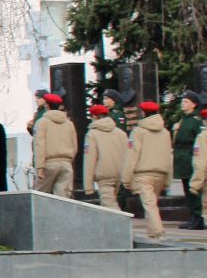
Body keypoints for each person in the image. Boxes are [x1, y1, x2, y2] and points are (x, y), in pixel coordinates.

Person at [124, 101, 173, 240]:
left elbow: (132, 155)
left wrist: (126, 178)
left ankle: (158, 232)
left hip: (144, 174)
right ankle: (152, 234)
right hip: (161, 173)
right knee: (152, 204)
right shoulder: (165, 133)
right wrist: (168, 179)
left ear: (144, 113)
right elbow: (169, 156)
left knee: (149, 204)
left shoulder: (138, 132)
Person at [31, 93, 77, 198]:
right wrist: (69, 160)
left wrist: (40, 167)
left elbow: (39, 145)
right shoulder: (69, 124)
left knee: (40, 196)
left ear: (47, 105)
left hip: (49, 163)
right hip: (66, 163)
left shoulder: (42, 123)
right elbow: (74, 145)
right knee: (62, 197)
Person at [82, 104, 127, 211]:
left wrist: (88, 185)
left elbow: (90, 159)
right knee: (109, 203)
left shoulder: (92, 134)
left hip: (104, 175)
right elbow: (127, 154)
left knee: (110, 207)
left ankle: (119, 226)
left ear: (94, 116)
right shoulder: (120, 133)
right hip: (119, 173)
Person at [173, 92, 203, 230]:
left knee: (193, 190)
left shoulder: (196, 120)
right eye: (182, 101)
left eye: (186, 101)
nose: (182, 104)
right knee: (187, 189)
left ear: (193, 104)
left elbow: (199, 140)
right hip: (182, 159)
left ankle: (198, 218)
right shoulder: (182, 119)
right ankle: (192, 216)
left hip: (191, 157)